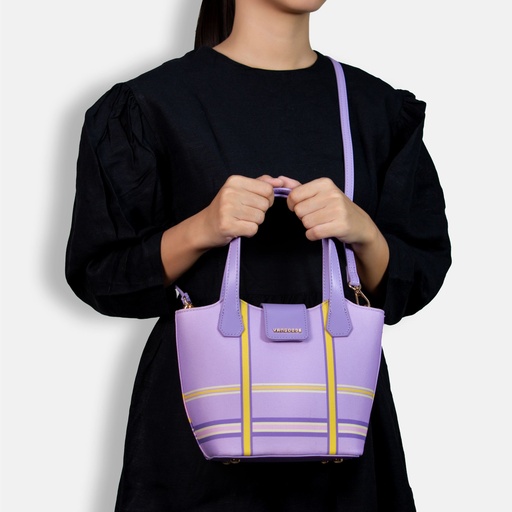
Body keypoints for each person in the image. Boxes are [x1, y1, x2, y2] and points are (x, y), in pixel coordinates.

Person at [65, 0, 451, 510]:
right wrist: (203, 228)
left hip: (341, 436)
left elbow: (415, 278)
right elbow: (101, 274)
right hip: (193, 442)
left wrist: (363, 232)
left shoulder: (375, 109)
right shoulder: (150, 104)